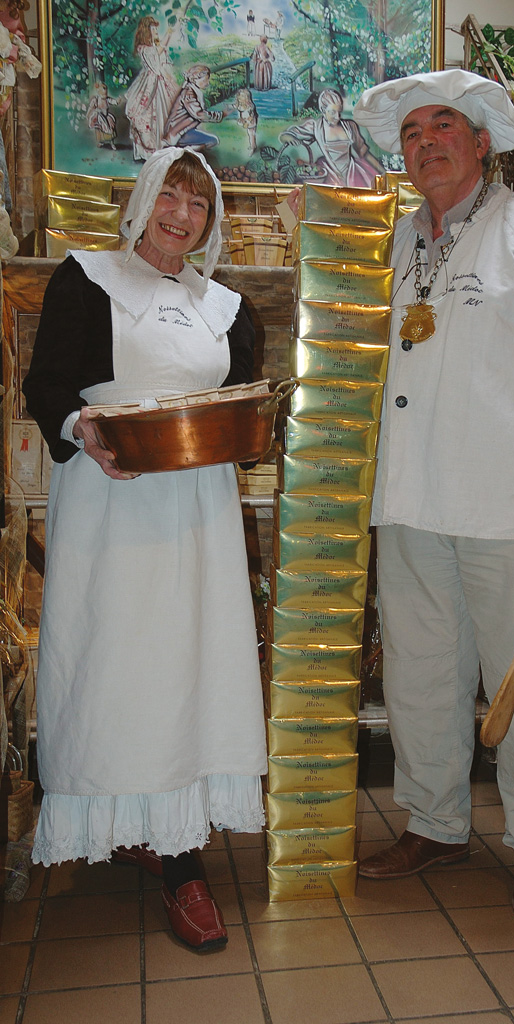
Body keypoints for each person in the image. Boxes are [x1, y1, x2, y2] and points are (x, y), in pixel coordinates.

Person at [351, 69, 514, 923]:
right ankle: (436, 822)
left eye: (443, 126)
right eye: (413, 131)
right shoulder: (392, 242)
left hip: (508, 501)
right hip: (409, 496)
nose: (425, 141)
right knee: (420, 677)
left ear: (481, 142)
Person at [23, 148, 267, 952]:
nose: (180, 213)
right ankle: (124, 817)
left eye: (197, 202)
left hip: (194, 518)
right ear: (142, 199)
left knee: (187, 667)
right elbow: (46, 388)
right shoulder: (85, 280)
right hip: (109, 505)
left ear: (211, 219)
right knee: (113, 666)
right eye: (170, 193)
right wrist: (79, 428)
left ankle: (182, 858)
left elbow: (243, 408)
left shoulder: (229, 308)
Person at [280, 87, 383, 187]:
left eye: (339, 112)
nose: (337, 117)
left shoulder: (350, 126)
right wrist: (291, 138)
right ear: (323, 110)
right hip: (330, 173)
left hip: (352, 172)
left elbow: (363, 152)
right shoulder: (316, 127)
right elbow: (284, 136)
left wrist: (383, 172)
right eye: (333, 112)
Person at [125, 16, 179, 160]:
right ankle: (149, 152)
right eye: (153, 28)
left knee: (165, 114)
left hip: (159, 82)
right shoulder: (143, 49)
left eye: (156, 28)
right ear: (146, 31)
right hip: (149, 84)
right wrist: (169, 33)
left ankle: (162, 150)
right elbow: (156, 56)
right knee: (149, 114)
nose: (156, 31)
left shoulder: (155, 46)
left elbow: (162, 61)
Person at [163, 64, 224, 150]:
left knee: (210, 140)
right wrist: (219, 115)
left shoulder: (192, 90)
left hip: (184, 130)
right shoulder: (189, 92)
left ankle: (184, 152)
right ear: (196, 79)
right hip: (179, 132)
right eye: (206, 80)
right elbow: (198, 114)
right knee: (213, 140)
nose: (208, 83)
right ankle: (183, 153)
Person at [226, 86, 258, 155]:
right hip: (244, 120)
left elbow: (251, 116)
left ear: (247, 98)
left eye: (242, 96)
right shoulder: (240, 104)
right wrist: (228, 106)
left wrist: (247, 122)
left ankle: (253, 147)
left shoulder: (250, 106)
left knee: (251, 134)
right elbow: (235, 106)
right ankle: (253, 145)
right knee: (250, 134)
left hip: (250, 122)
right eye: (239, 96)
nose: (240, 98)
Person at [86, 80, 118, 150]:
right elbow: (91, 107)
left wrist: (116, 101)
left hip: (106, 116)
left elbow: (112, 101)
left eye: (106, 94)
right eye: (103, 94)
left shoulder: (107, 99)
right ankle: (101, 142)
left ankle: (112, 143)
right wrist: (88, 114)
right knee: (99, 130)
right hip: (99, 117)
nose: (105, 96)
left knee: (110, 128)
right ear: (99, 93)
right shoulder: (96, 99)